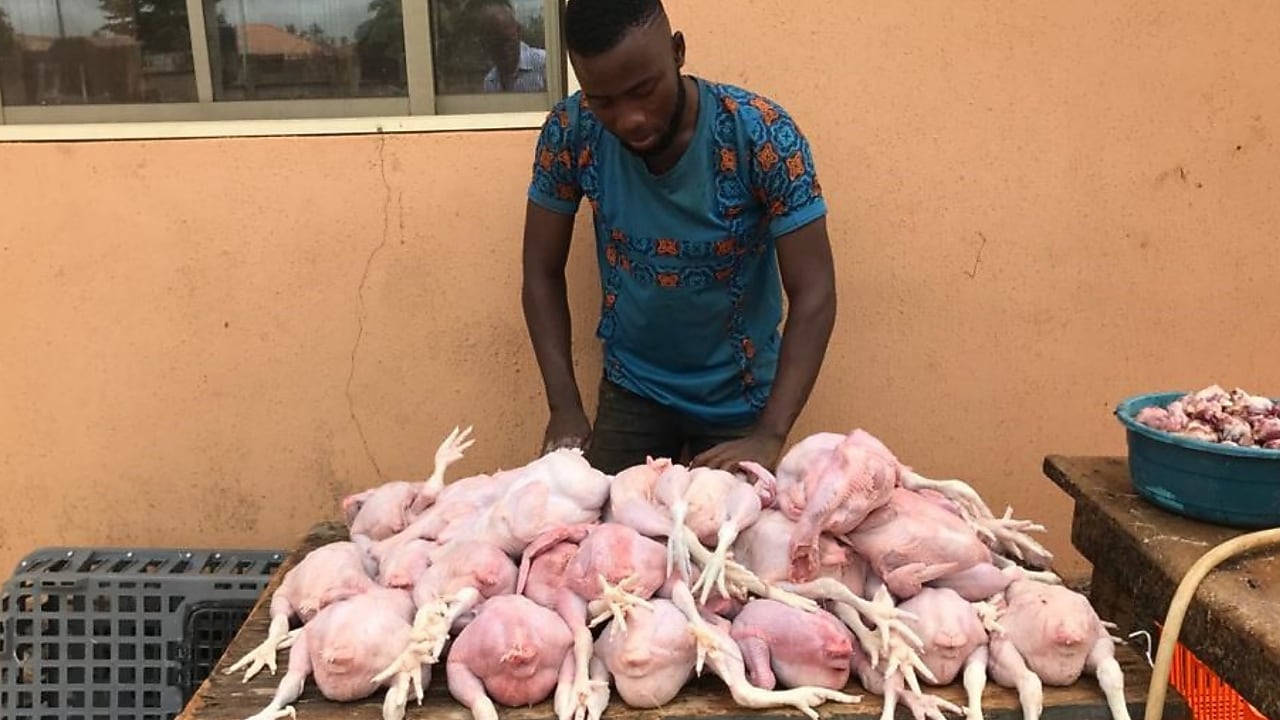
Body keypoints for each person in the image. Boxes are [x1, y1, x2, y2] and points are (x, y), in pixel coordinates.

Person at [520, 0, 837, 474]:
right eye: (603, 100)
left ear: (677, 52)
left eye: (644, 90)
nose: (630, 119)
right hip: (634, 388)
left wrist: (770, 435)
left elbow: (815, 291)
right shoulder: (572, 132)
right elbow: (541, 272)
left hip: (741, 396)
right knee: (606, 538)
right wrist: (564, 407)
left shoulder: (760, 134)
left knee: (732, 542)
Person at [474, 0, 547, 93]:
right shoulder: (490, 82)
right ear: (486, 46)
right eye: (497, 45)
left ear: (519, 32)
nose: (504, 49)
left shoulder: (545, 65)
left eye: (508, 41)